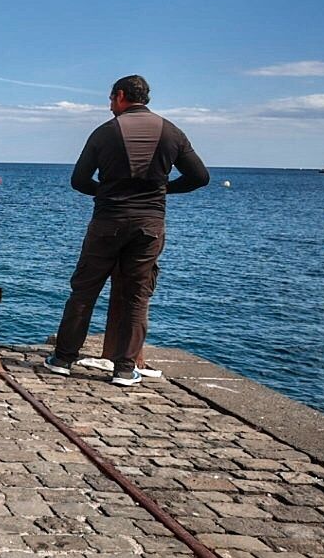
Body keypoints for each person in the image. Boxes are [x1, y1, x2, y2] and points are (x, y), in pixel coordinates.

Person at [45, 75, 208, 386]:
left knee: (84, 290)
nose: (109, 106)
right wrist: (162, 190)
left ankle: (64, 358)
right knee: (137, 296)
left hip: (107, 221)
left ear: (120, 96)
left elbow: (79, 180)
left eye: (110, 100)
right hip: (148, 225)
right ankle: (124, 368)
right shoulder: (171, 132)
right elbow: (200, 177)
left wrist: (106, 192)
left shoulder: (105, 133)